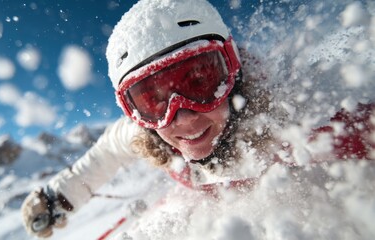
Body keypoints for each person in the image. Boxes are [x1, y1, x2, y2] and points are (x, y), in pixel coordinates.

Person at [21, 0, 375, 238]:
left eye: (200, 79)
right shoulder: (145, 135)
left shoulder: (298, 123)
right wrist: (57, 198)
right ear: (136, 115)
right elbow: (106, 153)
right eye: (151, 100)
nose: (184, 118)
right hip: (198, 196)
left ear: (233, 71)